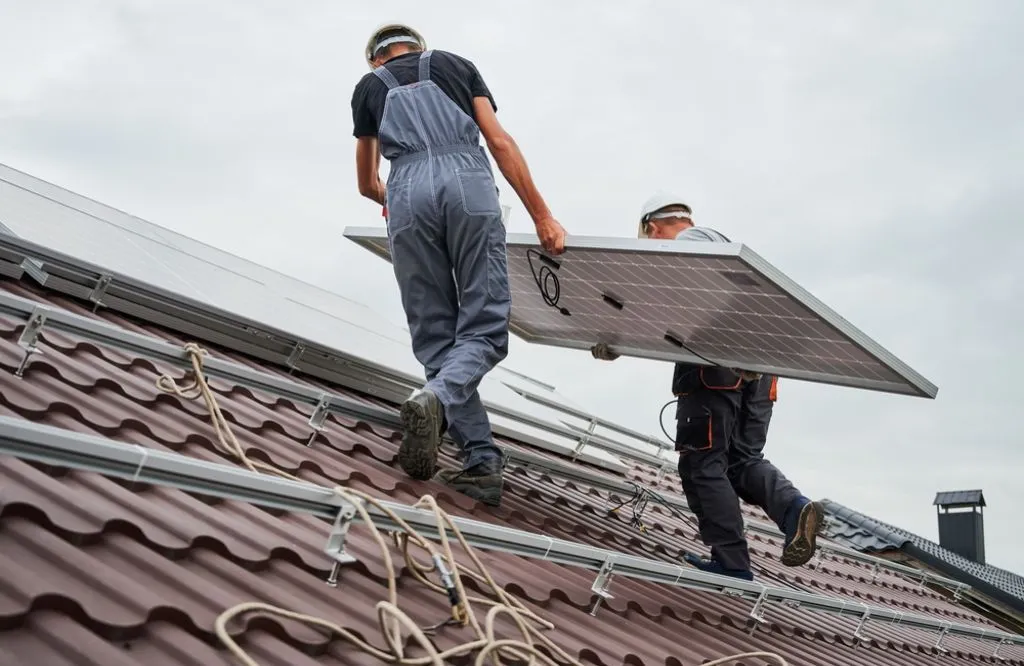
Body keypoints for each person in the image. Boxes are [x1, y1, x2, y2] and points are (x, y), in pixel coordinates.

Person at [351, 24, 567, 508]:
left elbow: (367, 184)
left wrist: (398, 196)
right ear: (419, 48)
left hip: (406, 193)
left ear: (375, 61)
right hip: (466, 182)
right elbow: (500, 143)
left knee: (434, 335)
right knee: (485, 325)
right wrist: (542, 216)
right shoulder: (454, 65)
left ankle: (480, 458)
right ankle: (445, 410)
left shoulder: (368, 88)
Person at [590, 192, 823, 581]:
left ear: (652, 228)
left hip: (716, 367)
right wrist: (619, 343)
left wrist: (619, 335)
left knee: (702, 464)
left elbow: (687, 297)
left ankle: (731, 564)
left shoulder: (688, 246)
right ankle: (794, 509)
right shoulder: (719, 248)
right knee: (742, 460)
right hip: (761, 368)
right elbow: (667, 313)